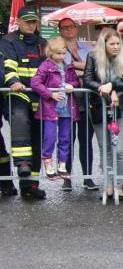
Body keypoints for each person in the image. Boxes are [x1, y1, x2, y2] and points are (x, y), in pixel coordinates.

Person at [1, 7, 48, 199]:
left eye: (33, 21)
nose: (30, 25)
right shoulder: (8, 41)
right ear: (18, 22)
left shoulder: (43, 43)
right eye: (27, 21)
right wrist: (14, 82)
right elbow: (8, 65)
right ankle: (22, 163)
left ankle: (31, 186)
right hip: (18, 94)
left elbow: (49, 67)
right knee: (20, 120)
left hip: (39, 96)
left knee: (37, 140)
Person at [83, 29, 123, 199]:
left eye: (118, 43)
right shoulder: (92, 56)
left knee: (119, 149)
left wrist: (113, 86)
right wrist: (102, 87)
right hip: (98, 107)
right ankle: (108, 185)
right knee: (104, 148)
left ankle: (119, 185)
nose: (115, 47)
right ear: (103, 44)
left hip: (121, 109)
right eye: (111, 44)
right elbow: (87, 79)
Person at [30, 37, 81, 182]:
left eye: (64, 53)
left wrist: (72, 85)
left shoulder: (68, 66)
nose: (61, 57)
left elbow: (75, 81)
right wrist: (50, 94)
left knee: (65, 137)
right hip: (50, 108)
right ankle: (47, 163)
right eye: (58, 53)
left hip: (67, 107)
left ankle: (62, 165)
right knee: (50, 137)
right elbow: (35, 82)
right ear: (50, 52)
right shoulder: (45, 66)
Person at [57, 18, 98, 191]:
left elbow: (94, 70)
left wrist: (75, 66)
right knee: (67, 140)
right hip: (67, 102)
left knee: (86, 140)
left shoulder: (87, 48)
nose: (68, 30)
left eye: (71, 27)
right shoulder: (57, 49)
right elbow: (59, 71)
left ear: (76, 28)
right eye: (64, 27)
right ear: (60, 30)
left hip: (86, 101)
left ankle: (88, 177)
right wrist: (81, 69)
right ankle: (66, 178)